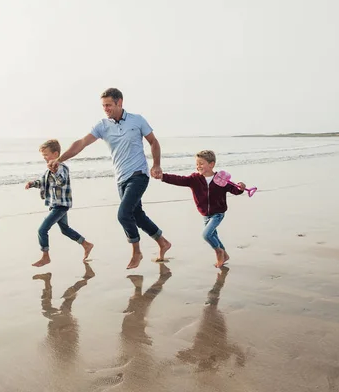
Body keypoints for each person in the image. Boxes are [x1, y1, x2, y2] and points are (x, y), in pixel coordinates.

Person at [47, 88, 171, 270]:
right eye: (103, 106)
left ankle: (136, 251)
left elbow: (153, 141)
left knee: (123, 215)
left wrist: (156, 165)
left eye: (109, 105)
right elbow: (81, 143)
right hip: (121, 178)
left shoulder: (137, 120)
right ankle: (162, 242)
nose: (106, 109)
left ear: (120, 102)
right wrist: (60, 159)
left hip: (139, 174)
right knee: (137, 215)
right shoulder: (102, 125)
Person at [155, 150, 246, 268]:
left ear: (211, 164)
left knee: (206, 235)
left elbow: (235, 190)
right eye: (197, 164)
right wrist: (163, 176)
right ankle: (225, 255)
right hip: (205, 214)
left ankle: (219, 252)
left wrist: (241, 188)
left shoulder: (221, 179)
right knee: (213, 235)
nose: (198, 166)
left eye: (201, 163)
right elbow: (179, 180)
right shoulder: (194, 179)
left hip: (218, 213)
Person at [26, 139, 93, 267]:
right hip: (55, 205)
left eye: (46, 154)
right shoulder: (48, 170)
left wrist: (55, 171)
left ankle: (45, 256)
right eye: (43, 155)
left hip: (60, 205)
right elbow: (43, 182)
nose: (44, 158)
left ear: (56, 154)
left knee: (42, 229)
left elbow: (61, 181)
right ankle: (86, 244)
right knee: (65, 229)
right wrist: (32, 184)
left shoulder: (61, 168)